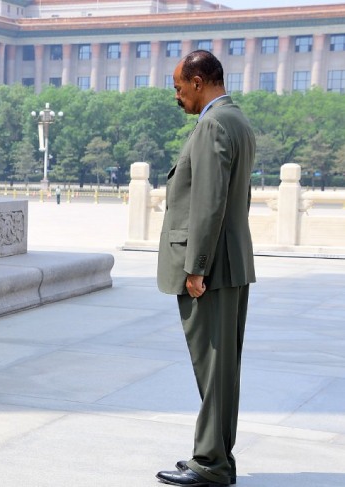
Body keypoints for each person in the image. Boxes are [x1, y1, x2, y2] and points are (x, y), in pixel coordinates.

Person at [155, 50, 256, 487]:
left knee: (214, 369)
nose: (178, 96)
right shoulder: (236, 119)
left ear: (198, 81)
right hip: (230, 260)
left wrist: (196, 267)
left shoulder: (213, 124)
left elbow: (209, 202)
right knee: (221, 370)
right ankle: (218, 457)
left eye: (179, 87)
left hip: (211, 268)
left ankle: (212, 463)